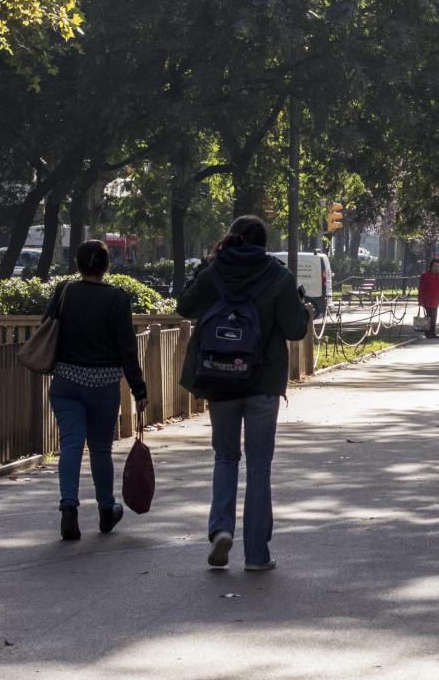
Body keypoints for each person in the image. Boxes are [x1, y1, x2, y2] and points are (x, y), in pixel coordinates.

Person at [178, 215, 311, 571]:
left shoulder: (215, 272)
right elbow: (295, 330)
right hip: (263, 383)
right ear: (264, 242)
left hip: (219, 379)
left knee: (225, 458)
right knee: (259, 466)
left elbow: (184, 306)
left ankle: (221, 530)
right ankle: (256, 555)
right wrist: (304, 310)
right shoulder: (279, 277)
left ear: (233, 237)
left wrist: (205, 272)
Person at [43, 239, 148, 541]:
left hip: (66, 382)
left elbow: (47, 328)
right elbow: (127, 350)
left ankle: (68, 508)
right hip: (103, 385)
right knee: (100, 448)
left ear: (77, 264)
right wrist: (139, 391)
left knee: (72, 443)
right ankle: (106, 509)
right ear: (106, 266)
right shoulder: (117, 298)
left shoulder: (64, 292)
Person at [417, 259, 439, 338]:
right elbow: (421, 288)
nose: (436, 268)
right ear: (431, 266)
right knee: (431, 316)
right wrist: (420, 300)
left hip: (435, 300)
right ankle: (430, 333)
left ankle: (430, 333)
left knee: (433, 316)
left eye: (438, 266)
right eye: (435, 266)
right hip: (427, 299)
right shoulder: (425, 275)